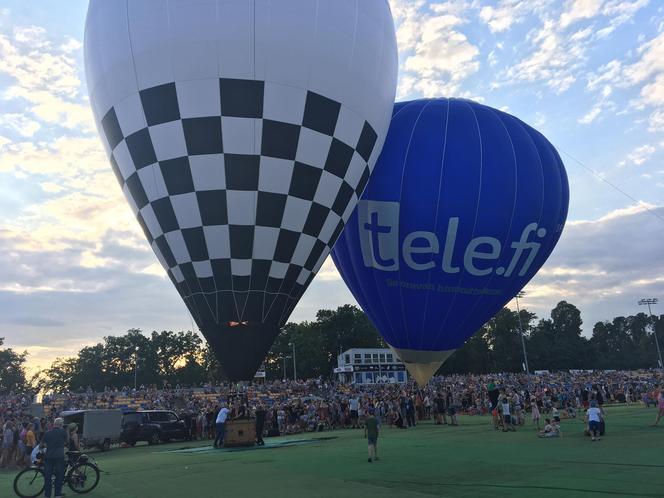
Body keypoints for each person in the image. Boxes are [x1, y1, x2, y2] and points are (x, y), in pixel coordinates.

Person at [42, 417, 68, 498]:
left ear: (54, 424)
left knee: (47, 477)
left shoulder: (47, 433)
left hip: (49, 456)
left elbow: (42, 444)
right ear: (61, 424)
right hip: (59, 456)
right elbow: (66, 442)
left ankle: (47, 495)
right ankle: (57, 494)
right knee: (59, 476)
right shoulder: (63, 432)